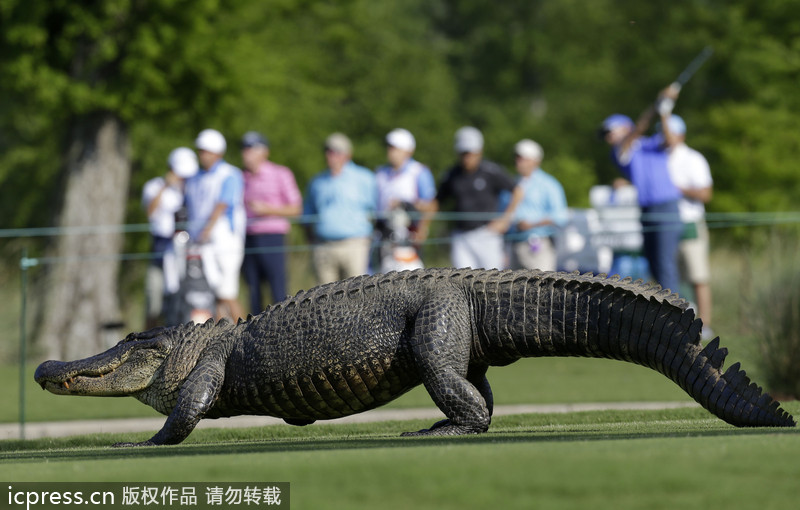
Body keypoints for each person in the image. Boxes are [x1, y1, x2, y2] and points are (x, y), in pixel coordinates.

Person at [600, 85, 683, 294]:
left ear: (624, 128)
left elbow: (670, 140)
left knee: (665, 264)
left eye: (610, 132)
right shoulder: (619, 152)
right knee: (655, 264)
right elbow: (639, 129)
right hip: (647, 210)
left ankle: (677, 317)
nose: (607, 137)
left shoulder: (650, 144)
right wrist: (657, 105)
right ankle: (668, 314)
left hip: (666, 207)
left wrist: (664, 111)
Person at [436, 126, 523, 270]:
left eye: (470, 153)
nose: (467, 157)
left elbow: (517, 191)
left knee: (492, 283)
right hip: (461, 236)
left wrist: (505, 219)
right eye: (463, 153)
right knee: (461, 283)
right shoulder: (451, 175)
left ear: (479, 151)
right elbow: (437, 201)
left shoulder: (491, 171)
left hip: (487, 235)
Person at [184, 128, 246, 322]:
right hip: (202, 240)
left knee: (227, 292)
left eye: (206, 151)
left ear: (218, 152)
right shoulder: (194, 178)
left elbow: (223, 204)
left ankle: (247, 334)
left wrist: (207, 229)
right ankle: (224, 338)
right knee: (214, 294)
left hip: (224, 238)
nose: (202, 155)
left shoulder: (230, 174)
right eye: (201, 150)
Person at [663, 114, 714, 338]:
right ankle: (676, 322)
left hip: (689, 223)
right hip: (664, 224)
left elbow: (705, 193)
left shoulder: (693, 159)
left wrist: (676, 189)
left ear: (680, 134)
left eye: (670, 132)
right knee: (670, 276)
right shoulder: (658, 157)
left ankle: (706, 324)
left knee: (698, 276)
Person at [240, 131, 302, 313]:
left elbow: (296, 209)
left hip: (273, 236)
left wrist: (268, 210)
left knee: (278, 290)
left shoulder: (280, 173)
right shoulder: (241, 177)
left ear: (264, 152)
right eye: (244, 149)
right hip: (247, 237)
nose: (246, 153)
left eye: (250, 149)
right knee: (253, 290)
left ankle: (283, 333)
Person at [303, 132, 377, 284]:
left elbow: (375, 210)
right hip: (323, 245)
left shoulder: (364, 178)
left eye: (336, 151)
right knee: (325, 299)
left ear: (347, 154)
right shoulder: (317, 181)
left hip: (355, 245)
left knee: (357, 296)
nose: (331, 155)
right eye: (328, 151)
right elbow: (307, 214)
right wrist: (311, 237)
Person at [141, 147, 198, 328]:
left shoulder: (191, 189)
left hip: (185, 250)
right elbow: (150, 212)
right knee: (154, 303)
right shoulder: (154, 186)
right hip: (160, 247)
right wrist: (166, 186)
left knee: (184, 301)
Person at [374, 128, 437, 270]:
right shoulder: (380, 173)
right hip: (384, 239)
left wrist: (421, 226)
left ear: (408, 151)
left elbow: (431, 205)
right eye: (389, 147)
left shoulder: (419, 171)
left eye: (395, 148)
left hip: (409, 239)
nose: (390, 151)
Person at [508, 139, 568, 272]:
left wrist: (532, 224)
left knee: (542, 288)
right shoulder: (512, 183)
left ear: (535, 160)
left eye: (523, 158)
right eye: (517, 157)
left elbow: (561, 216)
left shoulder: (549, 184)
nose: (518, 161)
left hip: (540, 244)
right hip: (514, 244)